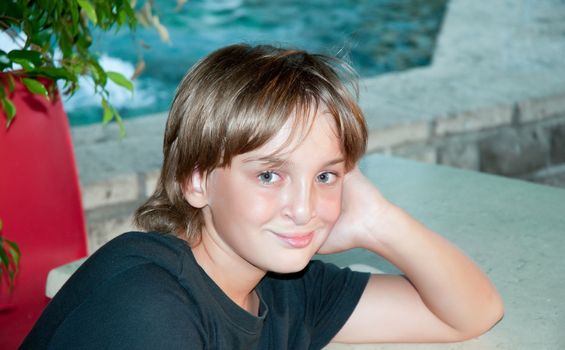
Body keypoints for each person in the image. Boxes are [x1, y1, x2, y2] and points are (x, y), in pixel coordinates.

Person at [22, 44, 503, 349]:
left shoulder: (282, 286)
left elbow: (472, 312)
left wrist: (380, 222)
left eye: (325, 177)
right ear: (197, 182)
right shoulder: (148, 303)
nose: (304, 208)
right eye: (270, 175)